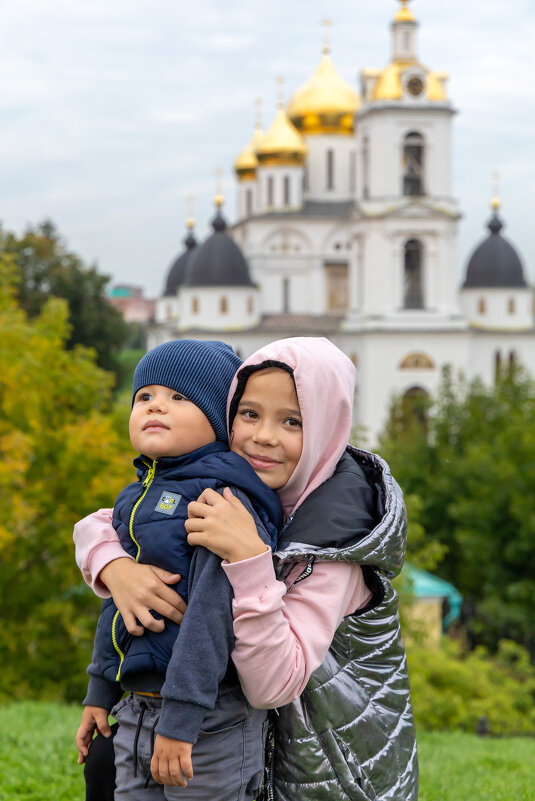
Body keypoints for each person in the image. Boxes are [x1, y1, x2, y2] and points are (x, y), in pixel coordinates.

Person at [75, 337, 418, 801]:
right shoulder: (233, 487)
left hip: (330, 774)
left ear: (325, 429)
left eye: (292, 421)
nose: (264, 436)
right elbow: (104, 524)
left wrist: (249, 560)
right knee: (108, 760)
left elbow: (270, 687)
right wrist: (114, 567)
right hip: (240, 738)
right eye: (249, 414)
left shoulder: (336, 544)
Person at [75, 339, 282, 801]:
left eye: (178, 397)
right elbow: (122, 605)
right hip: (140, 708)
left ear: (216, 420)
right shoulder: (139, 496)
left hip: (208, 717)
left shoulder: (221, 499)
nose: (156, 407)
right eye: (144, 396)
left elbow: (212, 616)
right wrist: (100, 691)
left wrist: (181, 721)